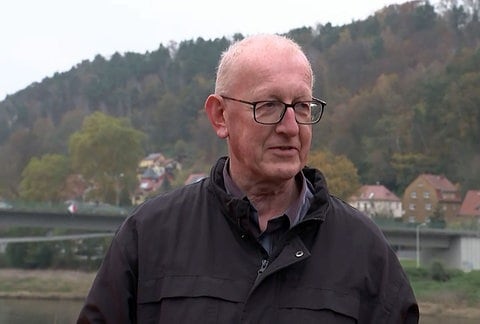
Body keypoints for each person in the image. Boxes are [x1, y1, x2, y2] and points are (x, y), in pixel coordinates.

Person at [77, 33, 419, 323]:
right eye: (268, 105)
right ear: (220, 116)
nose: (290, 127)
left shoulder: (364, 249)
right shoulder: (150, 236)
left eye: (301, 106)